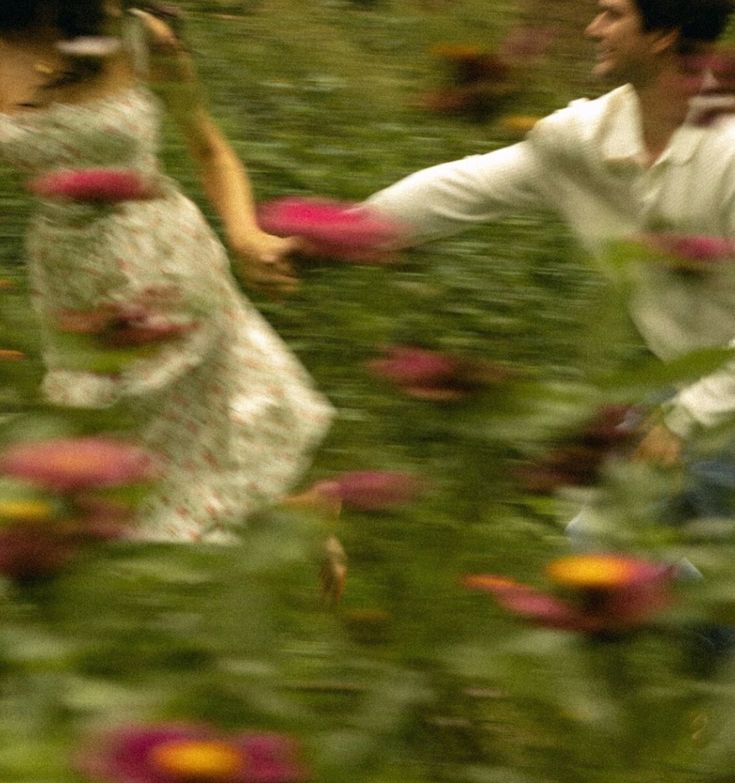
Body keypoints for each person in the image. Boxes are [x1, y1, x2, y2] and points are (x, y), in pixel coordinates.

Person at [363, 0, 735, 519]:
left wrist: (685, 419)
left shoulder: (729, 151)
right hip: (691, 390)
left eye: (612, 16)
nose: (591, 29)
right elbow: (463, 186)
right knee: (603, 542)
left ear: (662, 36)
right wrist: (342, 233)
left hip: (708, 401)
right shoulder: (591, 136)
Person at [0, 1, 334, 545]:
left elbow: (207, 145)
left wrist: (246, 233)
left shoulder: (133, 34)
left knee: (144, 439)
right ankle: (294, 523)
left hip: (164, 255)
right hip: (68, 275)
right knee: (106, 442)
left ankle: (223, 549)